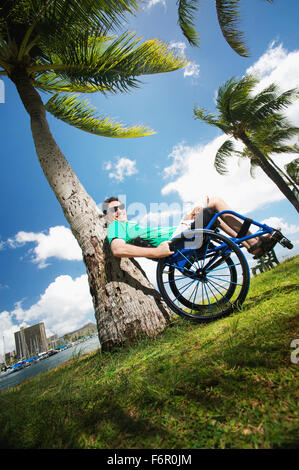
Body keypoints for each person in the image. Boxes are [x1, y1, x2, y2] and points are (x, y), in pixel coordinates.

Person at [102, 196, 276, 259]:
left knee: (205, 210)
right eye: (113, 210)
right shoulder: (116, 226)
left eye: (121, 207)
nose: (119, 212)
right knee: (214, 202)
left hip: (180, 235)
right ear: (108, 215)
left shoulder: (131, 225)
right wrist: (156, 252)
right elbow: (117, 249)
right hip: (178, 243)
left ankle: (251, 244)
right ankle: (254, 242)